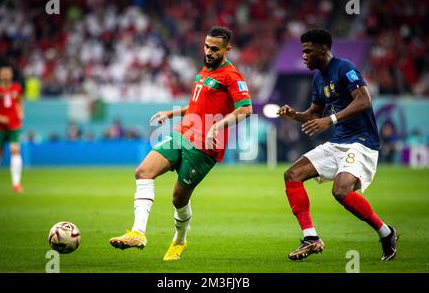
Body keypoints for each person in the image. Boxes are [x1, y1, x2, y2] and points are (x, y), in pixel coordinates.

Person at [109, 26, 253, 261]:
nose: (208, 51)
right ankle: (138, 233)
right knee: (143, 172)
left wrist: (216, 127)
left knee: (178, 198)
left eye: (215, 49)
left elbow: (246, 109)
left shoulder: (232, 76)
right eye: (206, 46)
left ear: (228, 49)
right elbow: (197, 105)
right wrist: (172, 112)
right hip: (182, 133)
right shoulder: (204, 71)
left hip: (204, 148)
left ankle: (180, 241)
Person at [277, 29, 398, 261]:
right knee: (292, 175)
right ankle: (311, 238)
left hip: (362, 142)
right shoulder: (318, 78)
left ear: (323, 49)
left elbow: (364, 100)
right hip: (338, 142)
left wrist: (330, 120)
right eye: (302, 51)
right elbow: (314, 113)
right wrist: (294, 115)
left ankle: (386, 232)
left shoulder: (345, 68)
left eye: (308, 51)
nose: (304, 56)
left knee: (341, 191)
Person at [0, 66, 24, 193]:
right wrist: (0, 118)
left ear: (11, 75)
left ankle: (16, 184)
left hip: (14, 126)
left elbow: (19, 101)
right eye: (4, 74)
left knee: (15, 151)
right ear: (0, 76)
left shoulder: (17, 88)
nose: (6, 76)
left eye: (8, 73)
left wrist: (21, 113)